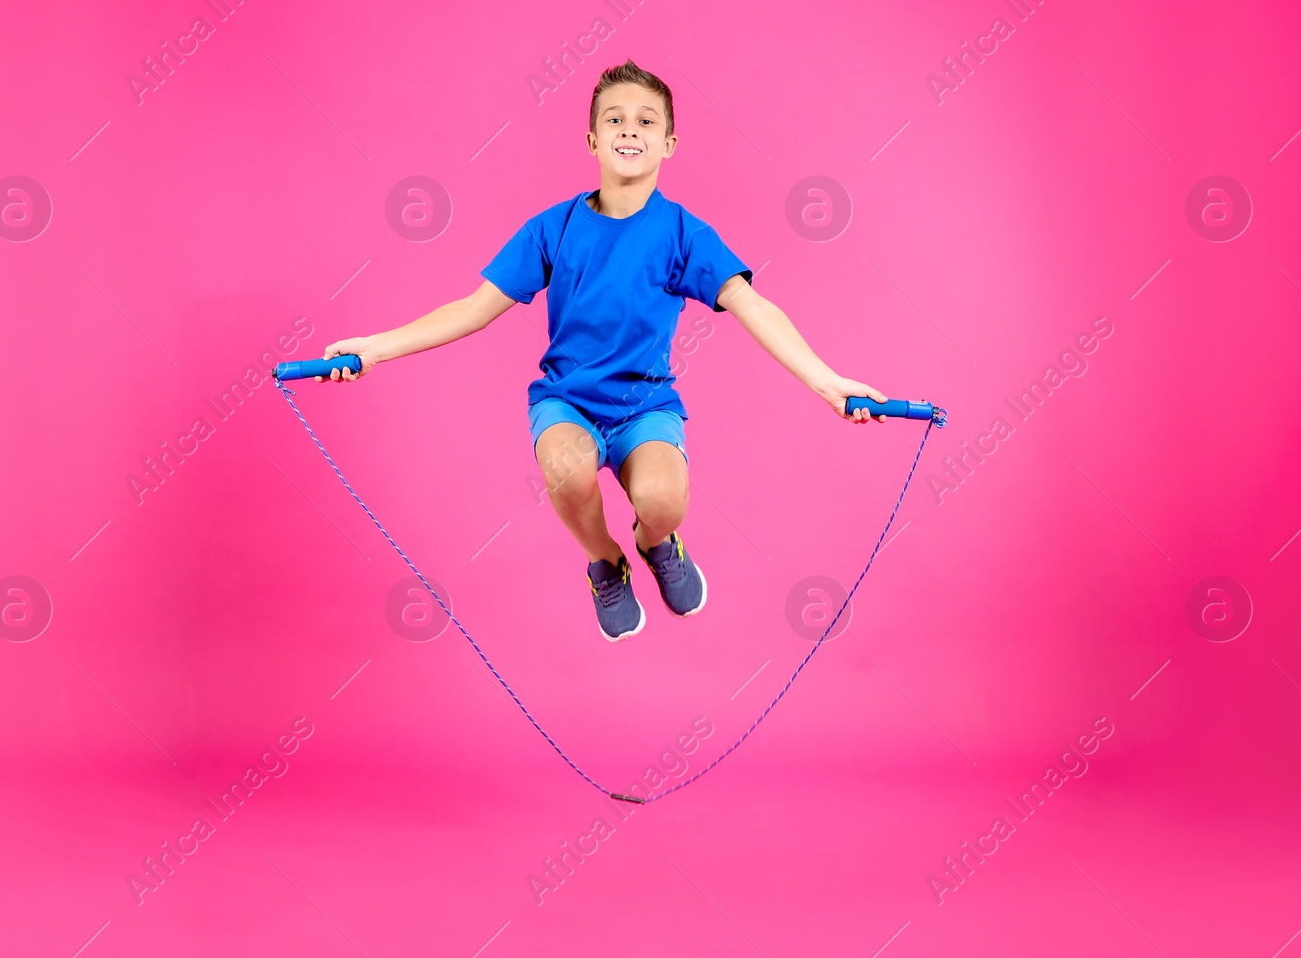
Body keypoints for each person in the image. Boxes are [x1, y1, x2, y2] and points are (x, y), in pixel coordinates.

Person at [320, 59, 891, 642]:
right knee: (566, 471)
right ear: (592, 139)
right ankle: (606, 560)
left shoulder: (684, 235)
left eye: (646, 121)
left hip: (645, 408)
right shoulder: (553, 227)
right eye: (614, 119)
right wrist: (373, 349)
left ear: (668, 143)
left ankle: (653, 542)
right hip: (567, 403)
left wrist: (828, 383)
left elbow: (755, 308)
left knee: (663, 500)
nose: (629, 130)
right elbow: (470, 310)